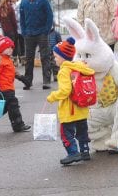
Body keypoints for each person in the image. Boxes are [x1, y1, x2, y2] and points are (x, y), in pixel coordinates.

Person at [47, 37, 95, 165]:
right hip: (82, 107)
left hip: (69, 111)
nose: (55, 59)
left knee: (66, 133)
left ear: (63, 57)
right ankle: (85, 152)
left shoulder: (64, 70)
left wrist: (52, 96)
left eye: (56, 57)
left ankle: (73, 153)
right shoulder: (80, 67)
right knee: (82, 131)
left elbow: (65, 91)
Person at [0, 35, 31, 133]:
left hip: (9, 87)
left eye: (11, 48)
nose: (10, 50)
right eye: (7, 48)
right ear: (1, 48)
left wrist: (22, 78)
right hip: (3, 88)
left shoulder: (8, 59)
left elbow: (13, 71)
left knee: (5, 107)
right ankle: (18, 125)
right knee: (13, 104)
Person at [20, 0, 53, 90]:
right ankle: (28, 82)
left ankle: (46, 81)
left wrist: (46, 30)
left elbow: (49, 15)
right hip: (29, 34)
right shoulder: (23, 1)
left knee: (45, 57)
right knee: (28, 59)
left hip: (42, 33)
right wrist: (24, 32)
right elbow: (22, 18)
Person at [0, 0, 18, 64]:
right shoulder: (10, 8)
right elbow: (14, 21)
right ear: (7, 1)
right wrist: (15, 30)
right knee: (10, 47)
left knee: (3, 47)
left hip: (2, 31)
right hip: (10, 31)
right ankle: (11, 61)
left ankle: (3, 61)